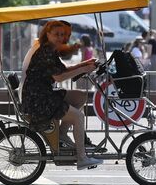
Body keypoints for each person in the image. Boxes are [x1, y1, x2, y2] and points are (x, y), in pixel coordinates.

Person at [22, 20, 102, 170]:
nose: (60, 38)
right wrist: (84, 70)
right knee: (78, 116)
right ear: (47, 34)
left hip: (44, 94)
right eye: (56, 34)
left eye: (62, 34)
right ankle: (82, 158)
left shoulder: (51, 50)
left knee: (80, 96)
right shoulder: (45, 51)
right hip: (38, 99)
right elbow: (59, 77)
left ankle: (62, 134)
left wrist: (85, 64)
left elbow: (65, 68)